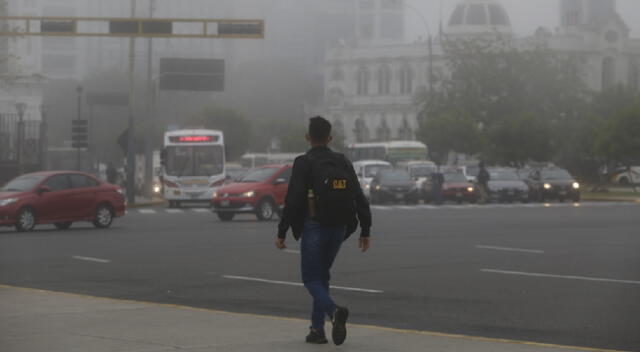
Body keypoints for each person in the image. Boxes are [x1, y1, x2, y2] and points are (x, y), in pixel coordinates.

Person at [276, 116, 372, 346]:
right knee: (322, 276)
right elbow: (359, 196)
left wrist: (282, 231)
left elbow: (294, 200)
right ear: (330, 138)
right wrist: (365, 229)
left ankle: (333, 311)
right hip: (339, 228)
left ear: (308, 137)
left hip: (315, 226)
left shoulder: (304, 162)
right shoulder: (342, 161)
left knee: (310, 278)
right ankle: (317, 330)